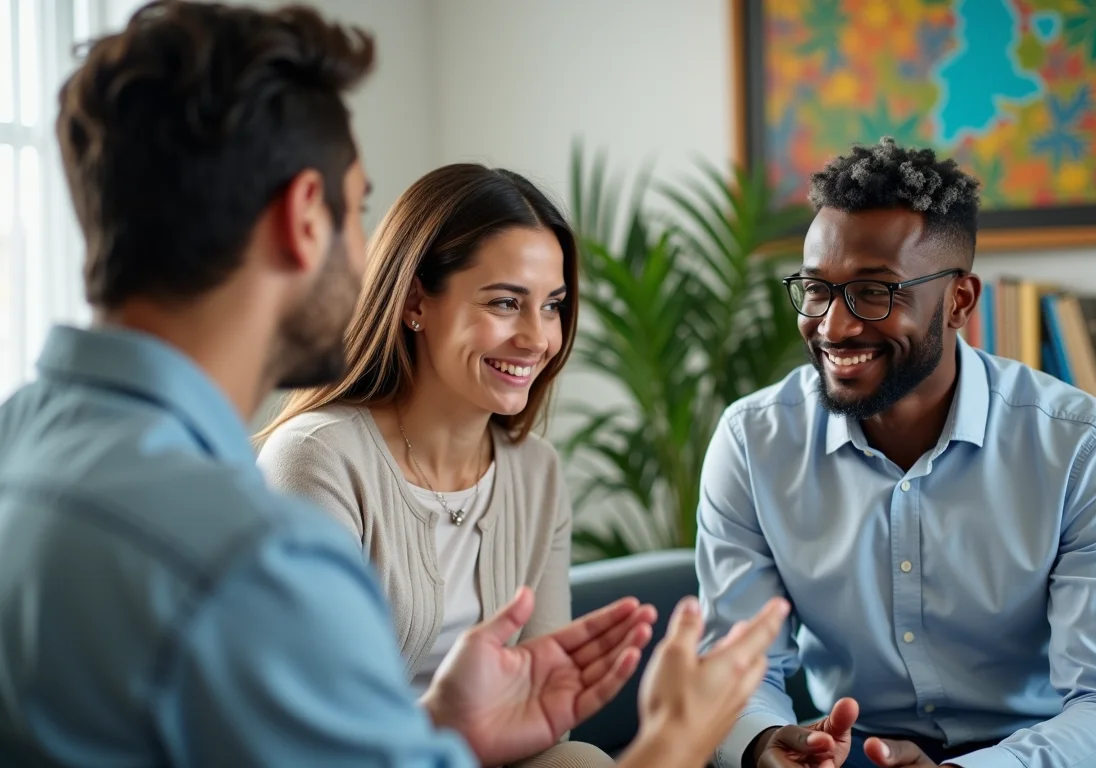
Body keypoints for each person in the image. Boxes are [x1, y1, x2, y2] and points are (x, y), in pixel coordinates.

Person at [0, 2, 790, 767]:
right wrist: (680, 740)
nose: (364, 254)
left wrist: (447, 726)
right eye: (358, 210)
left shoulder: (22, 444)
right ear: (304, 216)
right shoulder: (247, 555)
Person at [695, 137, 1096, 768]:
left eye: (873, 292)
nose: (833, 327)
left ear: (959, 302)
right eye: (815, 290)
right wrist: (760, 742)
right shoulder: (753, 441)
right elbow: (738, 663)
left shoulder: (1084, 448)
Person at [255, 160, 605, 768]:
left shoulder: (535, 471)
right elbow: (313, 736)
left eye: (552, 305)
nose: (537, 338)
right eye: (505, 303)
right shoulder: (315, 461)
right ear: (416, 300)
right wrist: (450, 731)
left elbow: (540, 722)